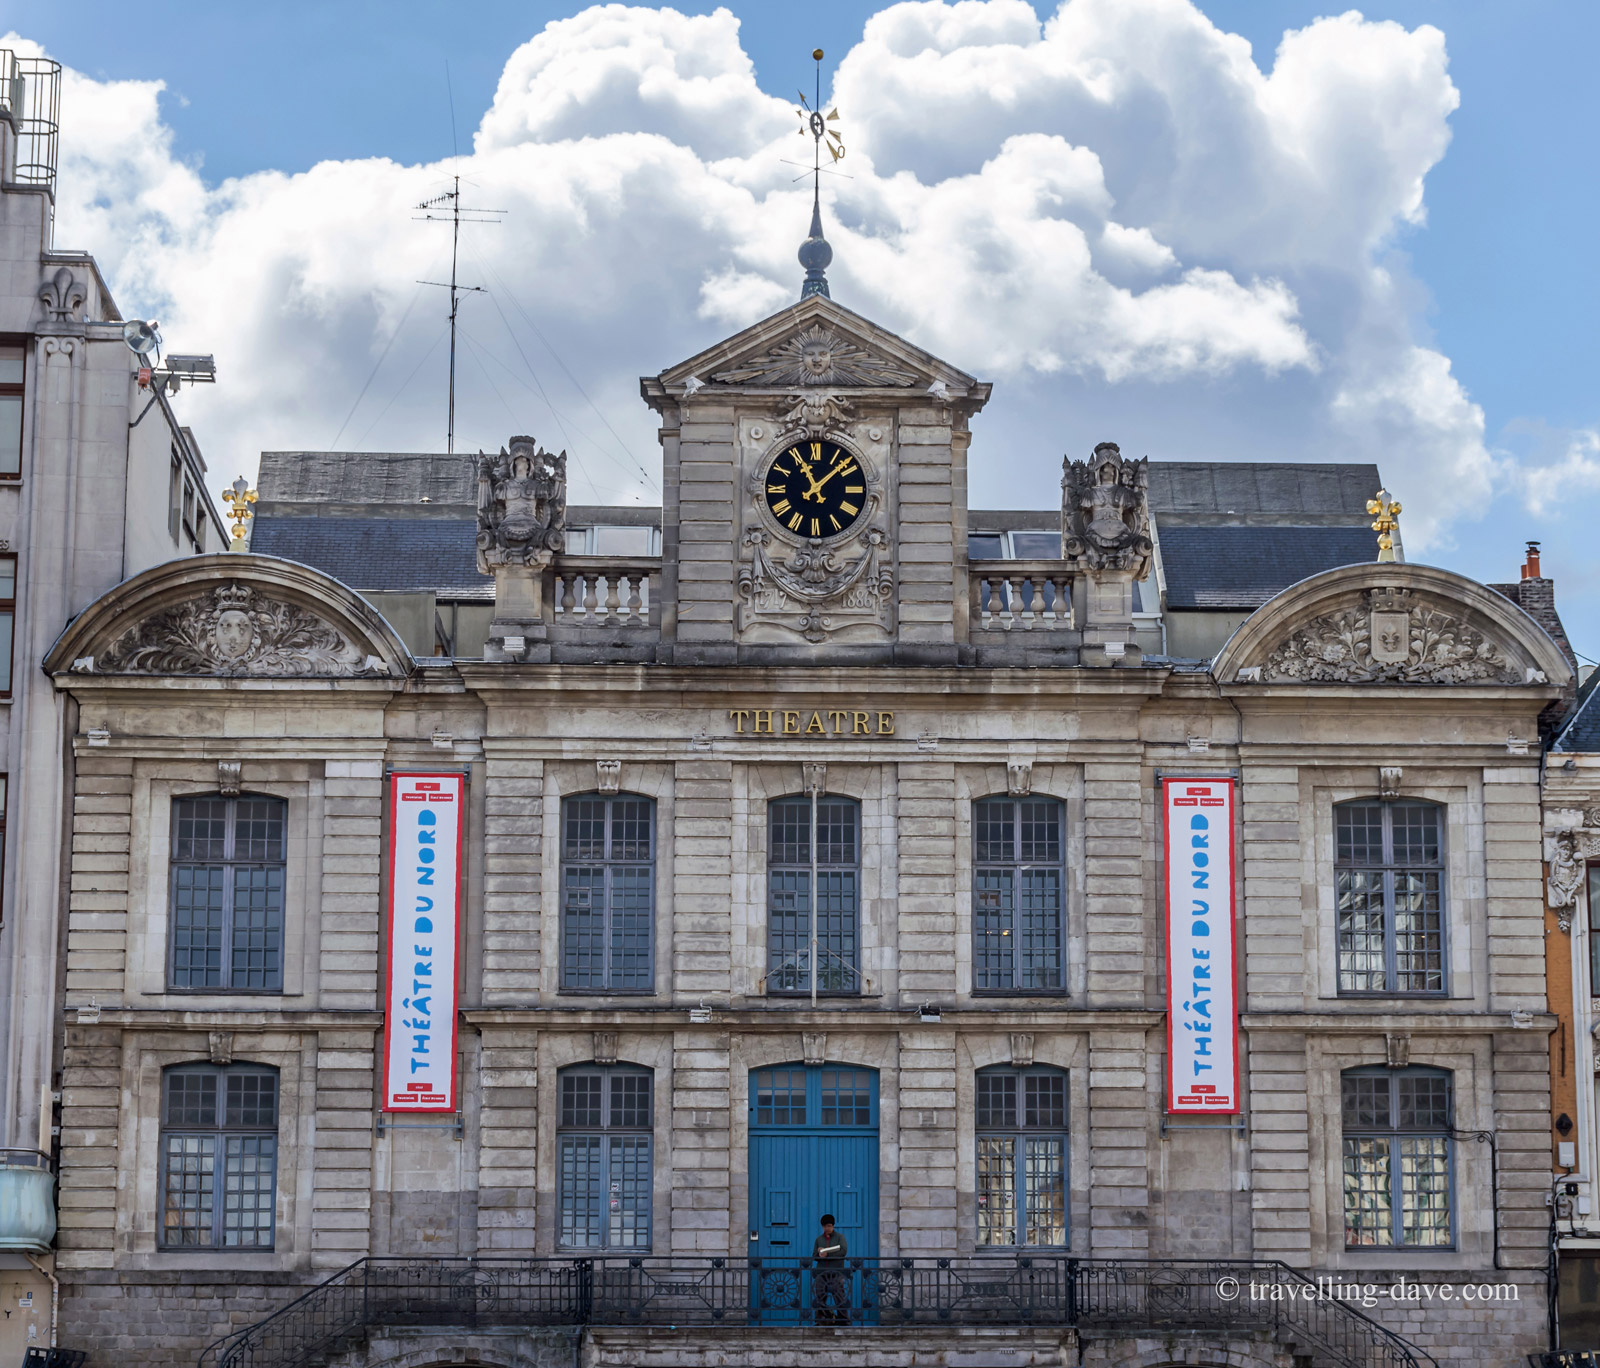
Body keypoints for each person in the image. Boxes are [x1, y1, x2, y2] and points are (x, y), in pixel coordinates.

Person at [810, 1214, 849, 1325]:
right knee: (820, 1296)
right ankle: (820, 1319)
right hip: (822, 1272)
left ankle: (843, 1319)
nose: (827, 1228)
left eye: (829, 1226)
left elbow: (843, 1251)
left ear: (833, 1226)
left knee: (839, 1295)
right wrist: (819, 1253)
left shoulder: (839, 1237)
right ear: (822, 1227)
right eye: (825, 1226)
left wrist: (828, 1254)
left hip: (836, 1272)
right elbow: (814, 1256)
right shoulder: (819, 1240)